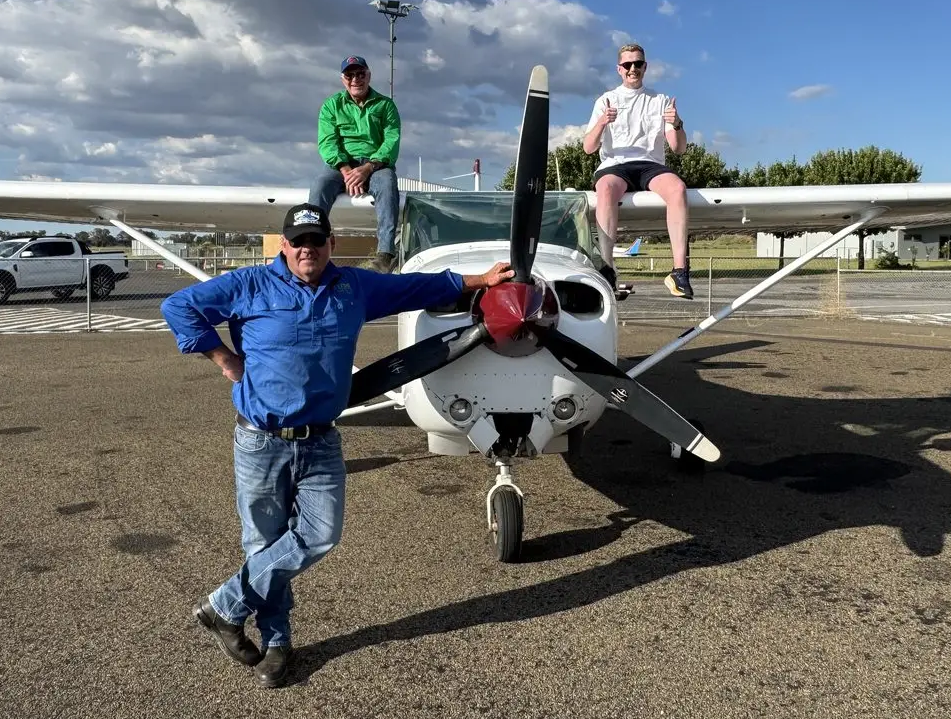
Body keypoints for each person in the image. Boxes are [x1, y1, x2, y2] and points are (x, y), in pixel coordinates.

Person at [160, 202, 513, 689]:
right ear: (283, 245)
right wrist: (222, 356)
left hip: (321, 439)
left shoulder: (355, 286)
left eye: (316, 240)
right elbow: (178, 306)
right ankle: (278, 644)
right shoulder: (249, 285)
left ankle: (223, 606)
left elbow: (418, 287)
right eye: (297, 241)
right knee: (264, 544)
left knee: (319, 535)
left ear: (332, 244)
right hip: (261, 440)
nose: (307, 249)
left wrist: (480, 281)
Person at [582, 42, 693, 299]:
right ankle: (608, 268)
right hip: (615, 164)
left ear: (645, 67)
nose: (633, 69)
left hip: (650, 165)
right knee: (606, 188)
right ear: (619, 69)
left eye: (638, 64)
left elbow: (678, 148)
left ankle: (679, 270)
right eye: (627, 65)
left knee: (677, 188)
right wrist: (602, 122)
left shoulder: (660, 100)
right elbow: (589, 148)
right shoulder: (605, 100)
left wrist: (676, 123)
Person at [310, 56, 402, 273]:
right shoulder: (331, 106)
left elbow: (391, 141)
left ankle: (386, 254)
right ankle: (311, 243)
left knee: (388, 185)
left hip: (376, 165)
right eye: (350, 75)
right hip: (341, 165)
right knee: (320, 186)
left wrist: (368, 167)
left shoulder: (386, 105)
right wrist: (346, 170)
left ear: (368, 75)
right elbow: (327, 142)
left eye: (360, 74)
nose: (355, 79)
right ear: (343, 79)